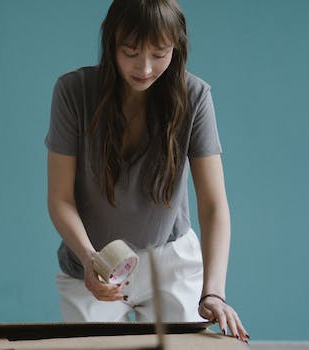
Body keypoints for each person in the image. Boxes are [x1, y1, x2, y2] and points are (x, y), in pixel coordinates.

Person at [45, 0, 248, 342]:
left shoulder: (195, 96)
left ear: (176, 47)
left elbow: (214, 206)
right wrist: (90, 258)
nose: (145, 67)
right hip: (96, 259)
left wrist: (214, 291)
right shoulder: (73, 92)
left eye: (160, 52)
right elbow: (60, 199)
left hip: (170, 258)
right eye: (131, 51)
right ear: (111, 44)